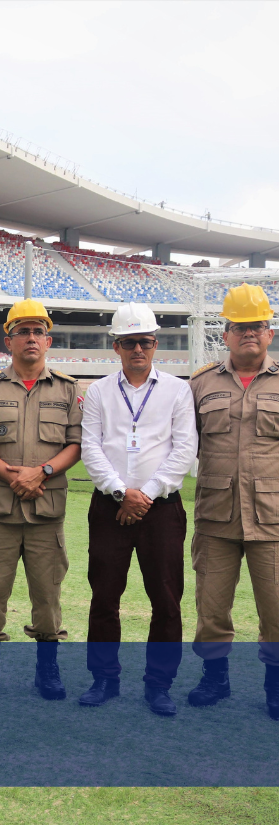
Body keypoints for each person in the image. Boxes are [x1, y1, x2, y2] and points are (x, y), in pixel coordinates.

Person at [79, 302, 196, 716]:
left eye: (144, 342)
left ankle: (159, 685)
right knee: (104, 597)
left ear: (155, 344)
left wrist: (143, 493)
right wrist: (119, 491)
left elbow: (183, 449)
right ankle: (104, 679)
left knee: (165, 599)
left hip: (160, 509)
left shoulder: (177, 390)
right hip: (110, 506)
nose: (137, 349)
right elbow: (90, 447)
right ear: (116, 346)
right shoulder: (98, 391)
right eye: (128, 342)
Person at [0, 299, 82, 700]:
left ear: (48, 340)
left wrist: (42, 473)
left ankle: (47, 670)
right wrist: (11, 476)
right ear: (8, 339)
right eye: (22, 332)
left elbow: (76, 444)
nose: (31, 338)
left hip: (47, 511)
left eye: (37, 332)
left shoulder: (67, 390)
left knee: (47, 595)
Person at [187, 283, 279, 720]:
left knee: (277, 611)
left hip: (273, 519)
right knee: (211, 608)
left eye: (257, 326)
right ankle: (214, 679)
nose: (249, 333)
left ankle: (275, 687)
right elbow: (177, 443)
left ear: (269, 334)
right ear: (224, 334)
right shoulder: (201, 383)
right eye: (240, 327)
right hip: (215, 518)